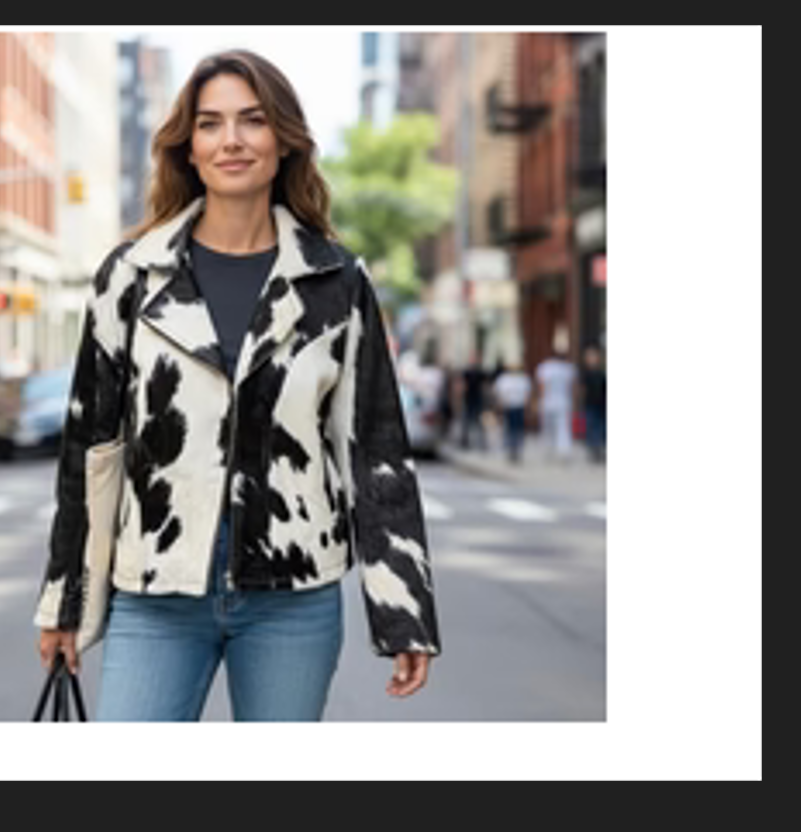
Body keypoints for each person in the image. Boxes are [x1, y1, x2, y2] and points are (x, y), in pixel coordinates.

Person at [34, 50, 441, 722]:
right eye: (210, 124)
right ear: (187, 148)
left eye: (252, 121)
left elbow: (376, 452)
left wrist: (403, 610)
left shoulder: (334, 282)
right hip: (155, 591)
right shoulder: (131, 278)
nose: (231, 140)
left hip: (292, 595)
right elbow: (90, 450)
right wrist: (64, 603)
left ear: (282, 140)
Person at [535, 345, 577, 464]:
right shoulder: (569, 369)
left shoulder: (544, 368)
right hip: (563, 401)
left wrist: (540, 400)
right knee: (563, 428)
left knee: (548, 428)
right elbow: (572, 387)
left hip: (548, 401)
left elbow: (542, 386)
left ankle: (548, 450)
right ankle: (564, 451)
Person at [492, 360, 532, 463]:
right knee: (509, 429)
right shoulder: (504, 380)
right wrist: (499, 407)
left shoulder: (523, 379)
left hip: (519, 406)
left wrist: (527, 408)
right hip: (508, 406)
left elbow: (527, 395)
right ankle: (510, 449)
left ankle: (517, 449)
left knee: (518, 429)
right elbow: (499, 393)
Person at [580, 345, 607, 463]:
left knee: (601, 427)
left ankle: (599, 448)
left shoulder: (602, 373)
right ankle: (593, 449)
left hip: (601, 405)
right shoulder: (585, 374)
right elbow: (582, 390)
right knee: (591, 426)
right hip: (590, 403)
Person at [460, 351, 488, 451]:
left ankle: (482, 443)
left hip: (478, 399)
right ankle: (465, 441)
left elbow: (485, 386)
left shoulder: (481, 372)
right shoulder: (466, 372)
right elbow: (462, 385)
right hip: (468, 399)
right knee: (466, 422)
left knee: (480, 422)